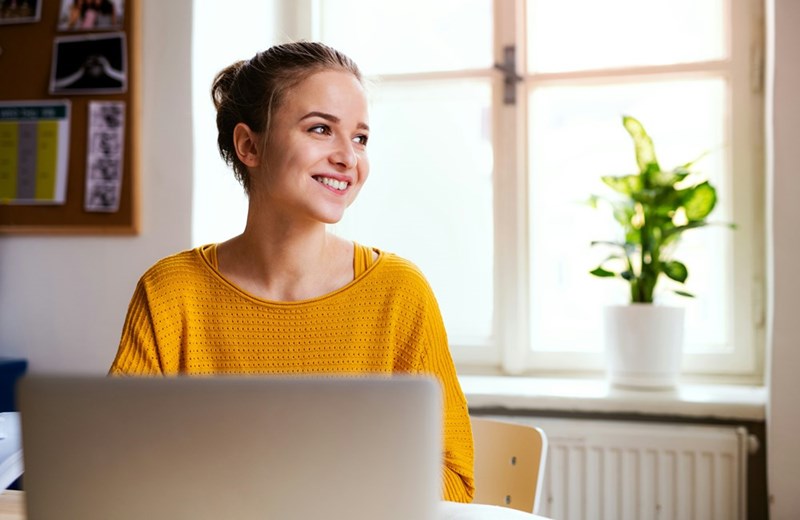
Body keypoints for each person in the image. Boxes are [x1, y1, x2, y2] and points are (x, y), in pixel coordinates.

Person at [109, 41, 475, 503]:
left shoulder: (399, 292)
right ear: (249, 145)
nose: (349, 157)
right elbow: (117, 465)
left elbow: (454, 480)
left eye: (360, 138)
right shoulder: (169, 292)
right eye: (321, 129)